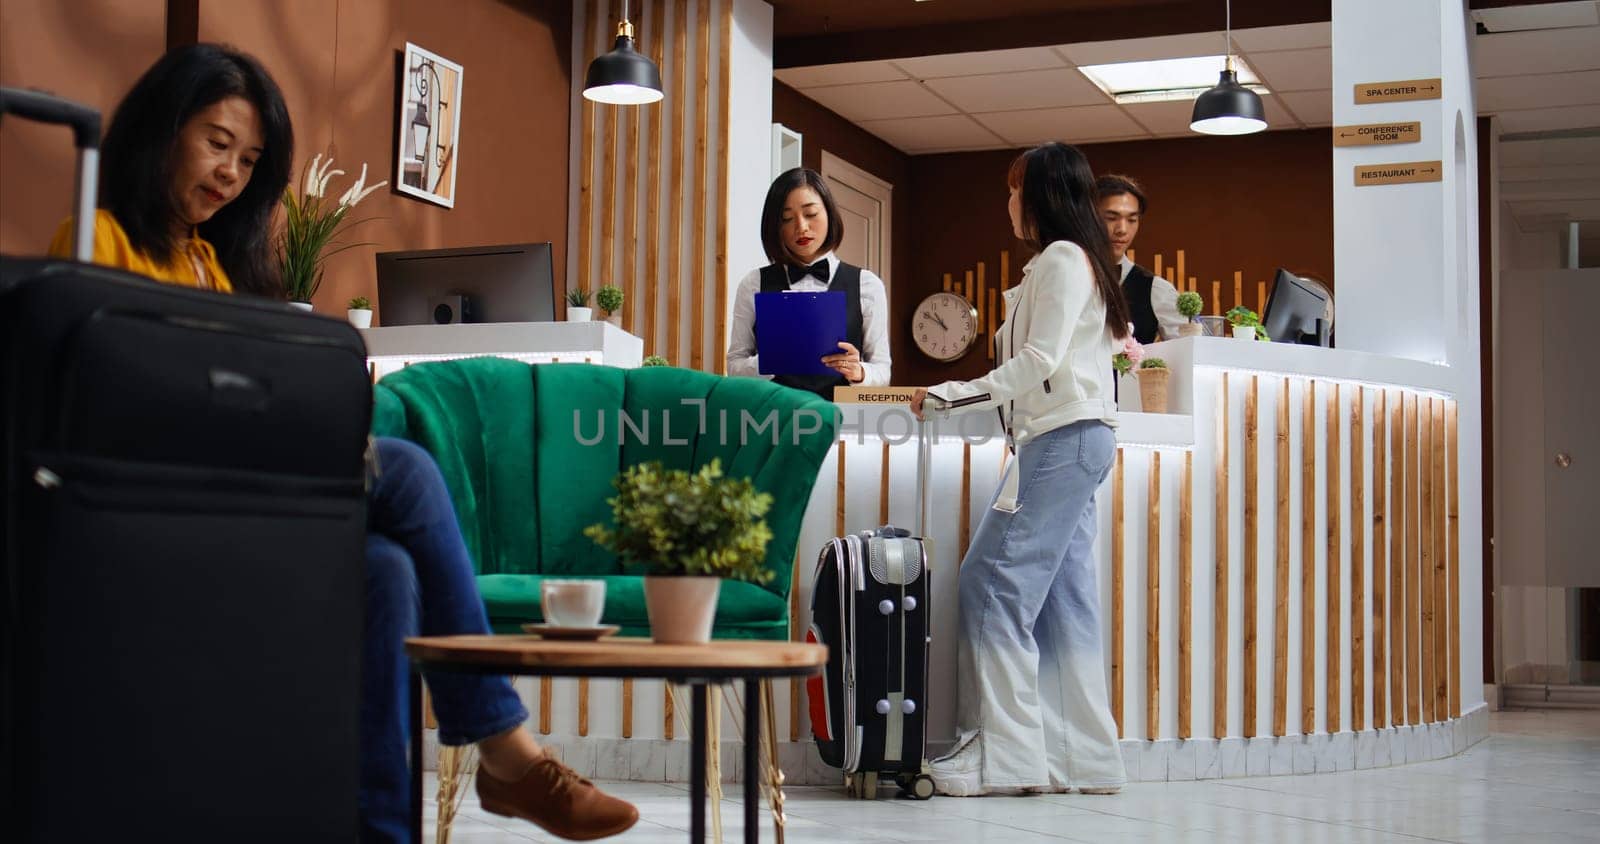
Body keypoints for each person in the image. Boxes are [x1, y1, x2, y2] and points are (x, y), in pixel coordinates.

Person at [48, 43, 637, 843]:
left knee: (387, 570)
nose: (230, 174)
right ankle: (506, 748)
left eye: (249, 160)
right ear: (162, 129)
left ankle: (381, 830)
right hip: (161, 510)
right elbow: (107, 406)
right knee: (405, 466)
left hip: (228, 499)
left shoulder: (209, 264)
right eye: (217, 144)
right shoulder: (96, 238)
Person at [912, 142, 1130, 797]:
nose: (1007, 202)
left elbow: (1038, 360)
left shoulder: (1063, 259)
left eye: (1013, 190)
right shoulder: (1065, 263)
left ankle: (1002, 759)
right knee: (1065, 604)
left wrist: (950, 395)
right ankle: (1082, 758)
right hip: (1069, 442)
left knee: (991, 585)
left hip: (1064, 444)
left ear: (1039, 195)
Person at [725, 167, 890, 398]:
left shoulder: (867, 285)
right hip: (771, 419)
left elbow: (883, 370)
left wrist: (859, 372)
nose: (801, 227)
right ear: (775, 226)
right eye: (787, 218)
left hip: (841, 422)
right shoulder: (754, 283)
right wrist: (770, 361)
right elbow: (734, 366)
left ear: (829, 213)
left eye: (810, 214)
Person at [1096, 174, 1184, 343]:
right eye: (1111, 218)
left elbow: (1187, 351)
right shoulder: (1067, 276)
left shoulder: (1156, 289)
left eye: (1132, 220)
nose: (1122, 229)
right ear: (1089, 217)